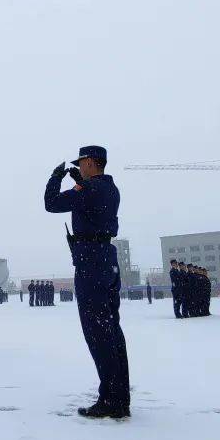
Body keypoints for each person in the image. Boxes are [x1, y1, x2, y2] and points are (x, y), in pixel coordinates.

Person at [45, 146, 130, 419]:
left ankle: (112, 400)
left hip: (92, 261)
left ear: (91, 163)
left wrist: (56, 177)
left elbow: (51, 203)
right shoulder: (106, 189)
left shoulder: (93, 189)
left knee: (98, 331)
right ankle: (118, 397)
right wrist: (76, 183)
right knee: (110, 330)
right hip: (103, 259)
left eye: (81, 163)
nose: (79, 167)